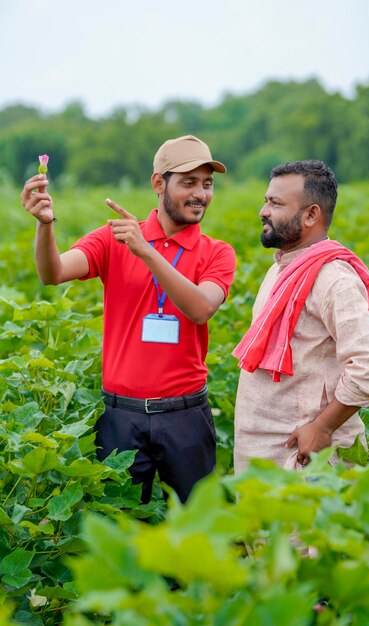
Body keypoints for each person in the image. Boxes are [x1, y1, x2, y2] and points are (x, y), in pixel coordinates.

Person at [21, 135, 236, 502]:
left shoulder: (217, 252)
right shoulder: (113, 238)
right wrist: (45, 224)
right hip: (121, 417)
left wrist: (147, 252)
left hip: (186, 416)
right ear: (158, 183)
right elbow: (52, 272)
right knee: (122, 530)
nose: (200, 193)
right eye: (188, 183)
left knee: (197, 531)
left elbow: (201, 308)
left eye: (207, 183)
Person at [233, 160, 369, 472]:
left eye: (276, 203)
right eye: (266, 200)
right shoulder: (282, 267)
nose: (263, 211)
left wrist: (323, 427)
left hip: (309, 460)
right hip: (265, 453)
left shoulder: (332, 277)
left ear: (311, 215)